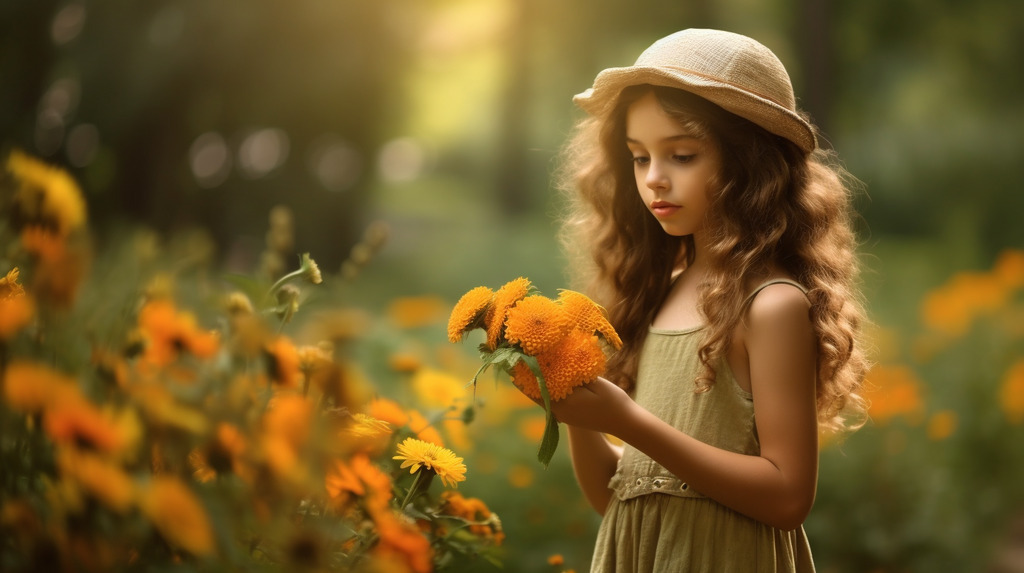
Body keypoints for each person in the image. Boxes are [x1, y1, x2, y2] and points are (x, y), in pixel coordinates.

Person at [549, 28, 869, 572]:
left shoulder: (770, 306)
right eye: (638, 157)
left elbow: (788, 497)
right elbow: (623, 501)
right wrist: (573, 406)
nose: (654, 179)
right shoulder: (661, 291)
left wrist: (626, 421)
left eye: (681, 155)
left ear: (751, 164)